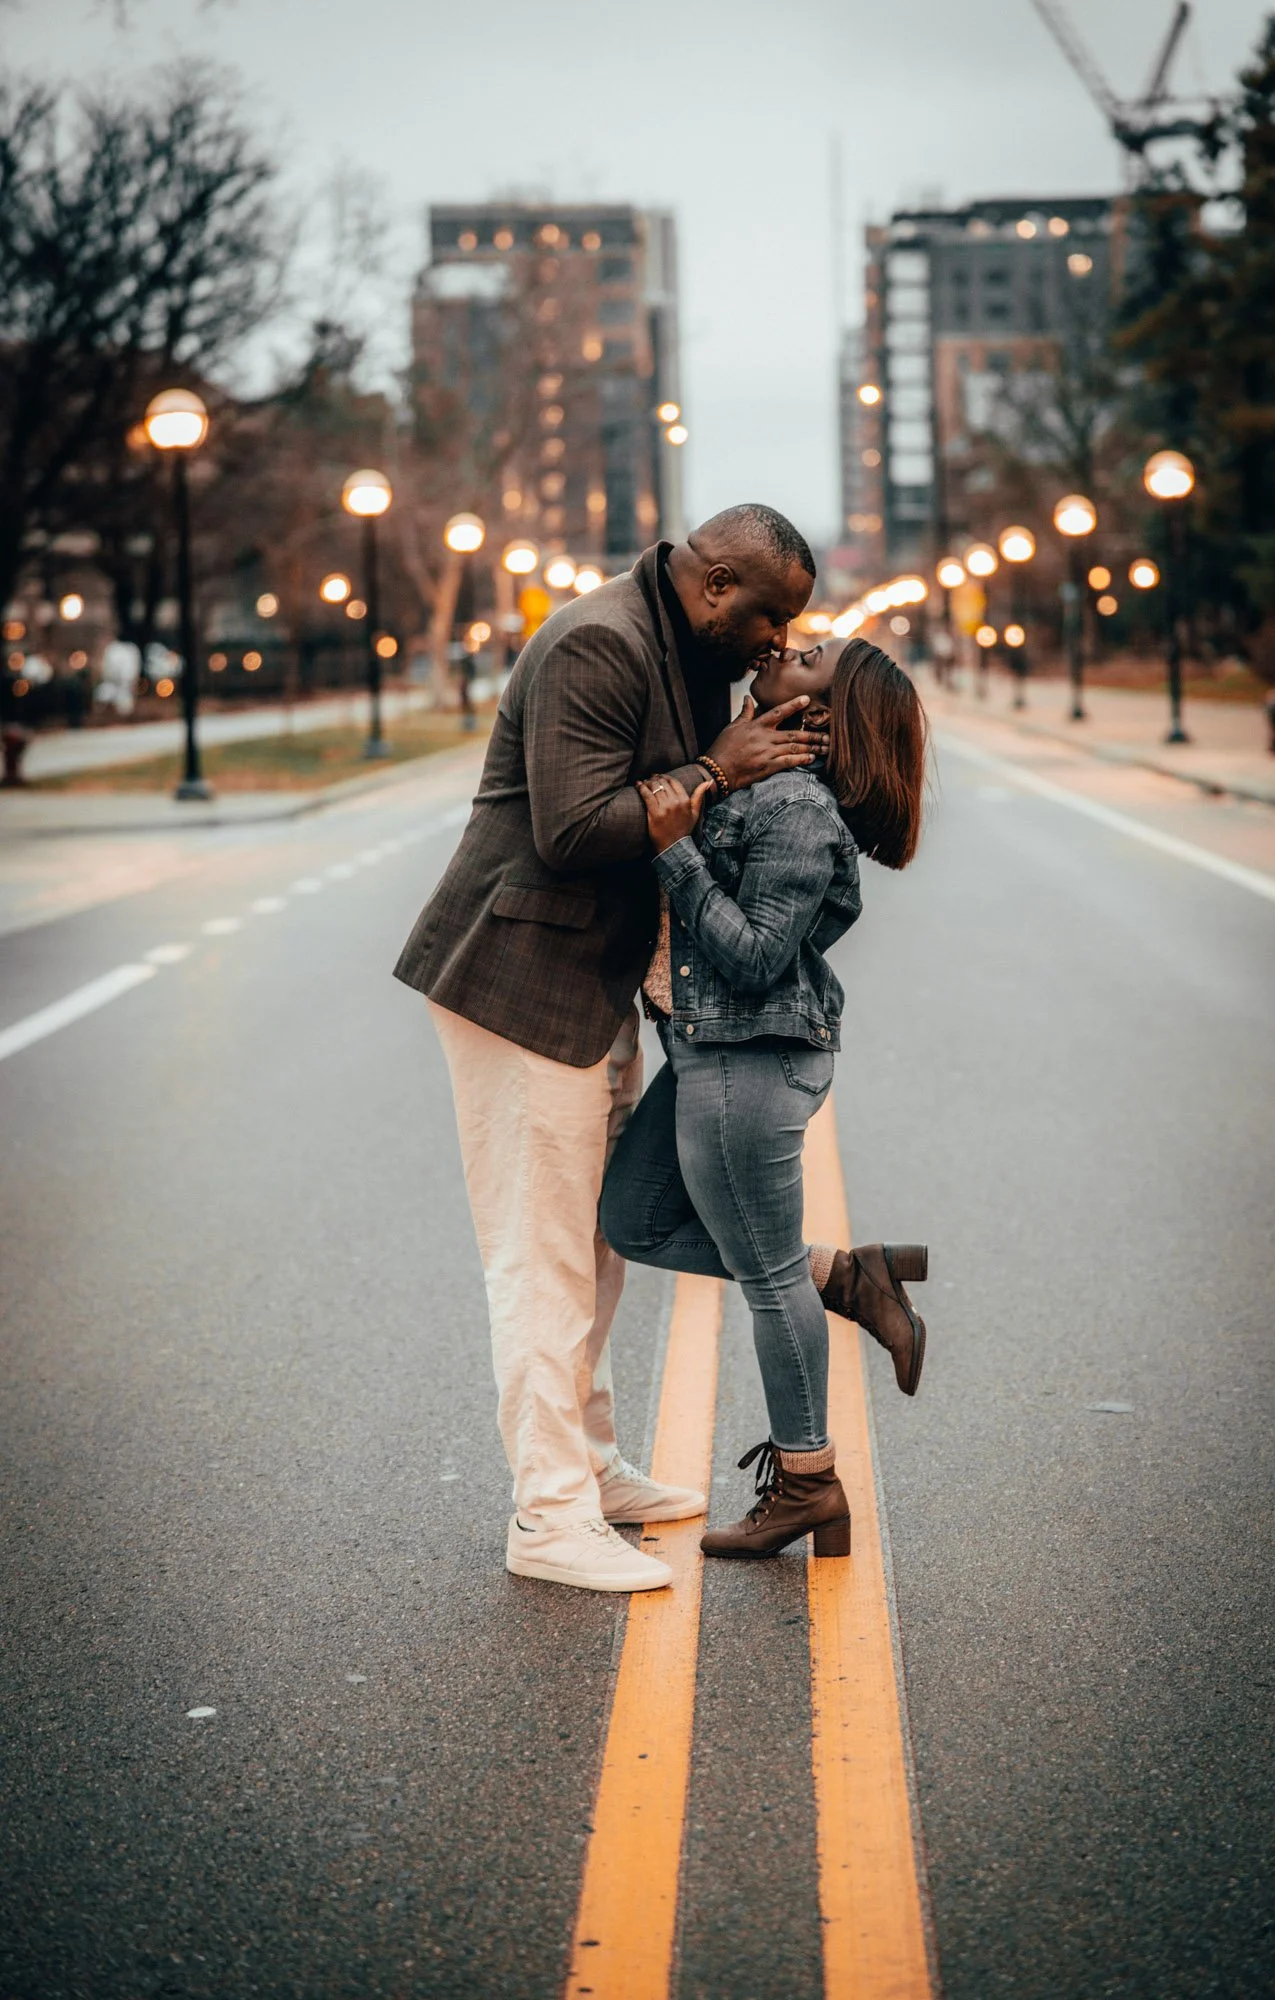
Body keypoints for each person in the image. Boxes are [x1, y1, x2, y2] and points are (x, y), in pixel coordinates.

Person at [394, 507, 826, 1593]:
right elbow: (573, 829)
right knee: (540, 1259)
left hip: (591, 987)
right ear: (717, 583)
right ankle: (547, 1517)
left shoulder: (683, 647)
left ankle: (585, 1466)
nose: (778, 639)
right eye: (770, 615)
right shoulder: (599, 639)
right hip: (518, 980)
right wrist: (714, 770)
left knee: (594, 1248)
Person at [598, 636, 930, 1560]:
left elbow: (752, 956)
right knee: (633, 1218)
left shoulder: (792, 808)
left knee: (766, 1278)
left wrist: (672, 851)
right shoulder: (753, 776)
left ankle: (807, 1483)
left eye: (813, 659)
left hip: (750, 1058)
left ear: (820, 717)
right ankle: (849, 1277)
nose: (793, 645)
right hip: (704, 1050)